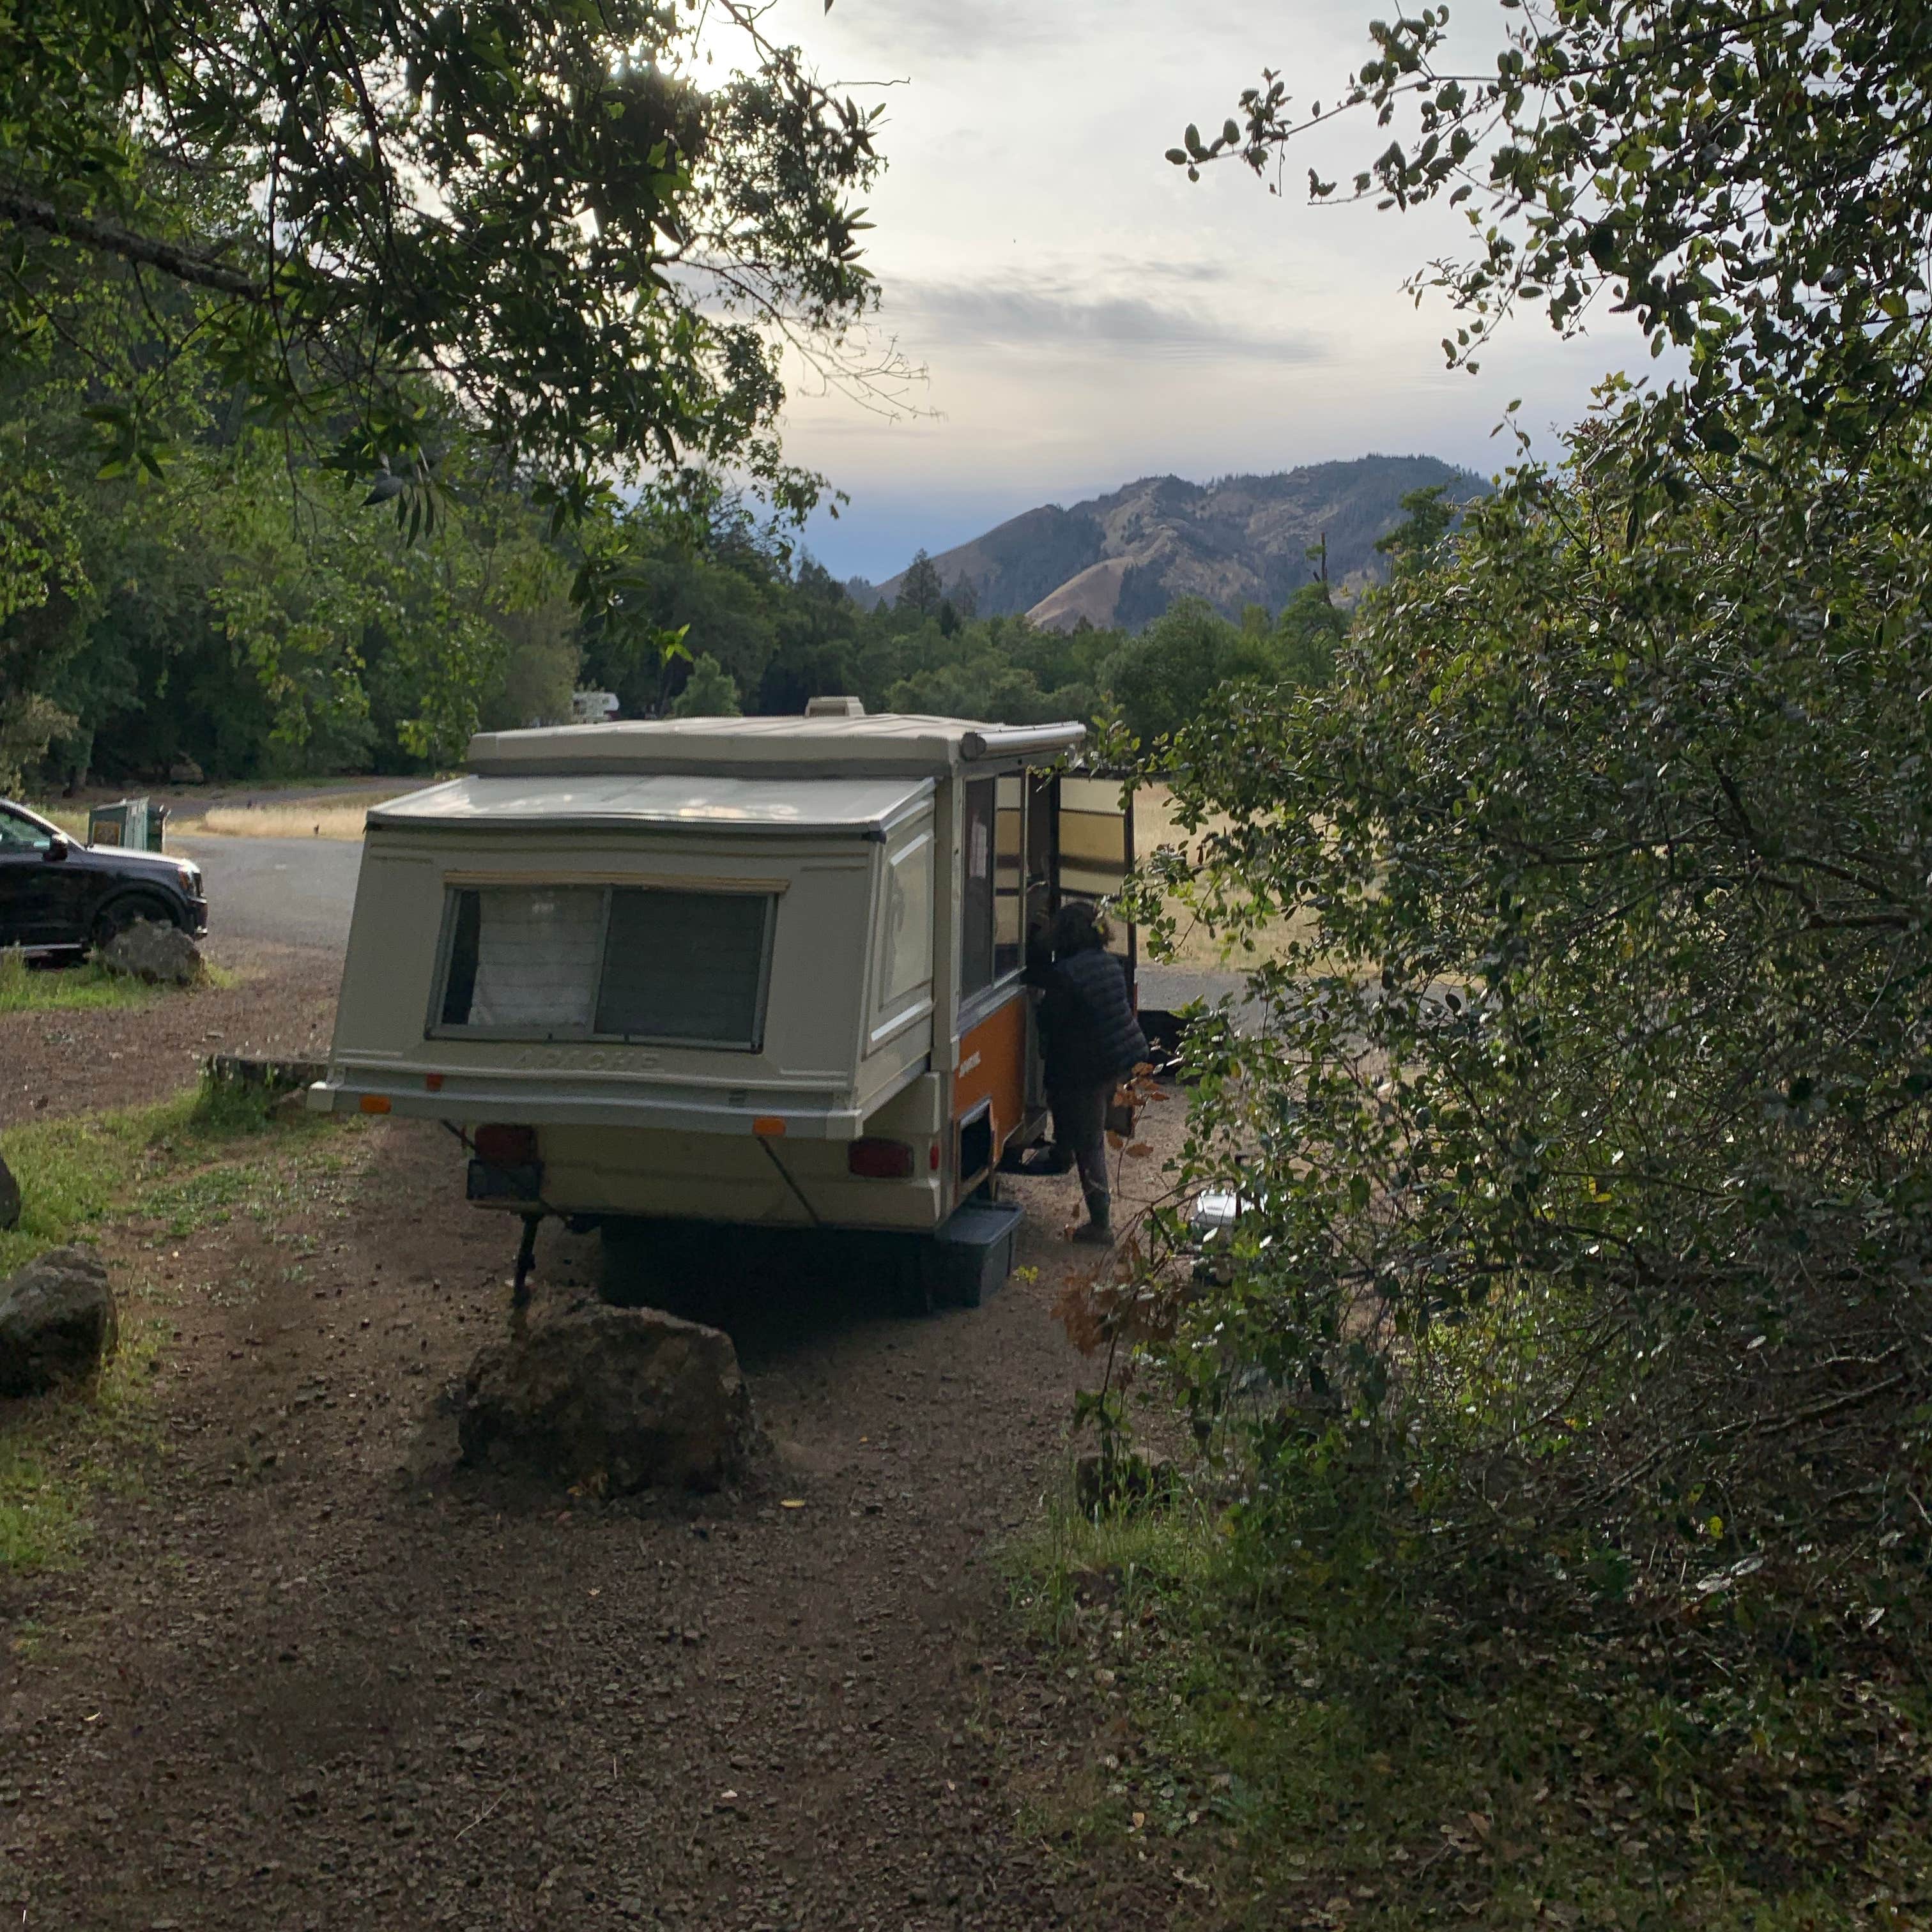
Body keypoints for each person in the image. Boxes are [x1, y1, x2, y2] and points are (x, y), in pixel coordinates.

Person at [1023, 900, 1149, 1244]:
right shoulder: (1107, 963)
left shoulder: (1067, 974)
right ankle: (1062, 1151)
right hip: (1119, 1056)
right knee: (1070, 1105)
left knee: (1089, 1140)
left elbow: (1050, 1019)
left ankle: (1101, 1224)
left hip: (1092, 1063)